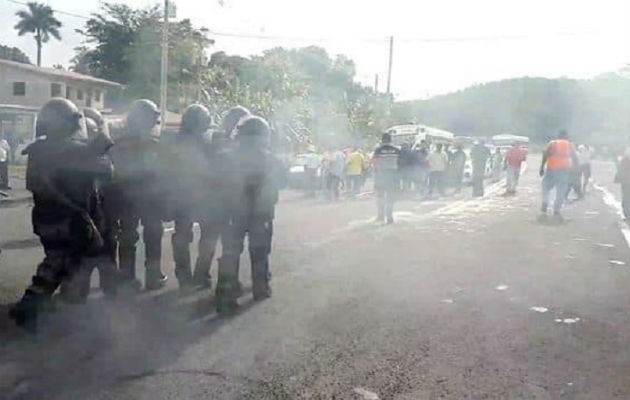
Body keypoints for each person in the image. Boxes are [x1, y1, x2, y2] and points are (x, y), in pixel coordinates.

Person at [8, 98, 112, 330]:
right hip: (69, 219)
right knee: (72, 263)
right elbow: (104, 159)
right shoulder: (69, 149)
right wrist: (101, 131)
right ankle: (36, 308)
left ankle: (39, 307)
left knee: (56, 262)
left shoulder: (38, 150)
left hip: (45, 218)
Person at [214, 116, 286, 313]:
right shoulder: (271, 159)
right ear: (264, 135)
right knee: (260, 252)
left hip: (231, 213)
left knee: (230, 253)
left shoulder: (225, 156)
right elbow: (283, 181)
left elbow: (213, 183)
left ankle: (225, 294)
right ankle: (260, 288)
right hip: (261, 214)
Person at [109, 99, 168, 291]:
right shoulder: (153, 144)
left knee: (128, 236)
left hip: (127, 196)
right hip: (146, 196)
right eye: (152, 117)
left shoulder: (118, 141)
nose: (154, 121)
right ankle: (152, 276)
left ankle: (127, 278)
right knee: (151, 235)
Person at [167, 104, 218, 289]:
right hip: (205, 197)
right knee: (209, 236)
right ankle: (201, 274)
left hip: (182, 197)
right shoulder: (210, 143)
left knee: (181, 237)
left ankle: (184, 276)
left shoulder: (173, 141)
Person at [539, 130, 578, 221]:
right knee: (561, 189)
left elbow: (545, 155)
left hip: (551, 167)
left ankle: (545, 202)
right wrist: (575, 169)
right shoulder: (570, 145)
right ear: (566, 136)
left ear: (558, 136)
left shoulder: (552, 143)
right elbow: (574, 157)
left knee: (546, 186)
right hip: (564, 169)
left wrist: (541, 167)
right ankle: (556, 209)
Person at [372, 133, 400, 223]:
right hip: (393, 177)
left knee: (380, 196)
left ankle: (380, 215)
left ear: (382, 140)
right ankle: (389, 216)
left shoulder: (378, 150)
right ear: (390, 140)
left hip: (381, 176)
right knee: (390, 196)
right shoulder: (396, 150)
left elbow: (373, 162)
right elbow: (400, 164)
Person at [614, 146, 630, 222]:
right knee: (626, 197)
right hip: (626, 182)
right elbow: (620, 171)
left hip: (625, 182)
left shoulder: (623, 160)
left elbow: (619, 170)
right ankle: (627, 213)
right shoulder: (624, 161)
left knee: (626, 197)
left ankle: (627, 213)